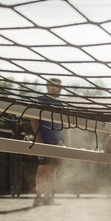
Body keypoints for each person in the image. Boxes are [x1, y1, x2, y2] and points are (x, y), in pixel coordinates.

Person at [30, 78, 65, 206]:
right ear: (49, 87)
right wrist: (38, 138)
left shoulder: (60, 104)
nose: (60, 89)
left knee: (53, 170)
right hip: (45, 140)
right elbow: (33, 119)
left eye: (61, 87)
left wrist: (66, 141)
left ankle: (48, 198)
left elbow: (65, 125)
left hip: (58, 142)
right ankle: (38, 197)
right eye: (57, 86)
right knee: (43, 169)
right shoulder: (39, 100)